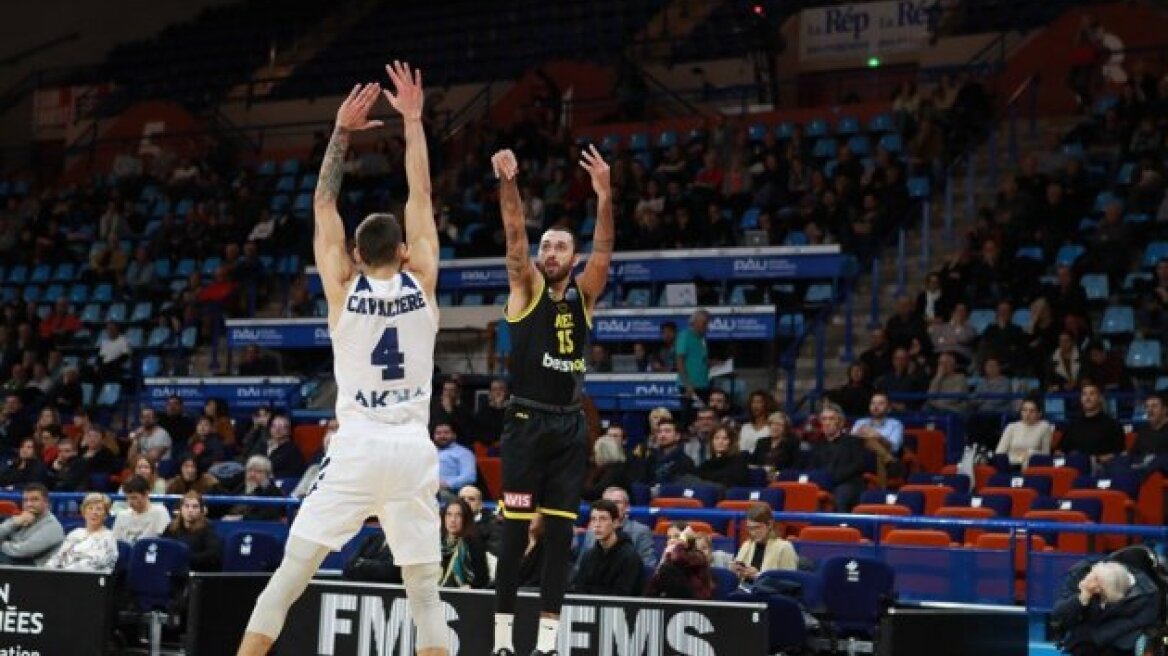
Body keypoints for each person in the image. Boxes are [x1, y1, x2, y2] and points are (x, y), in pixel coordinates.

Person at [239, 62, 450, 656]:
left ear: (356, 253)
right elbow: (422, 193)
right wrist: (412, 119)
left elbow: (322, 202)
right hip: (411, 450)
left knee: (287, 581)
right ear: (406, 253)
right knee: (426, 595)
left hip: (357, 448)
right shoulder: (425, 282)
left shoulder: (342, 287)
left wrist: (340, 133)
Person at [490, 141, 614, 656]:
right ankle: (500, 642)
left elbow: (605, 248)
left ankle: (545, 645)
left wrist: (605, 196)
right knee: (515, 535)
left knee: (561, 538)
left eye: (561, 247)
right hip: (525, 422)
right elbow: (515, 232)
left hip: (568, 427)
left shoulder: (585, 296)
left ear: (574, 257)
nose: (551, 253)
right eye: (548, 247)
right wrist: (509, 183)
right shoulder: (526, 286)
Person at [1052, 560, 1161, 656]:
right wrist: (1082, 597)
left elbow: (1137, 622)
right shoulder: (1079, 575)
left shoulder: (1148, 594)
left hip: (1121, 641)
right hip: (1084, 639)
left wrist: (1096, 637)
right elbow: (1058, 615)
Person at [570, 499, 645, 596]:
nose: (597, 525)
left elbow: (623, 595)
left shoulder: (631, 558)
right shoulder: (588, 556)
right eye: (593, 519)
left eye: (603, 519)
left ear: (615, 523)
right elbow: (579, 590)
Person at [574, 486, 656, 571]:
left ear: (627, 507)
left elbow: (647, 567)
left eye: (617, 502)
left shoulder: (641, 531)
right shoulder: (591, 531)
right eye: (607, 502)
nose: (611, 506)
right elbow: (580, 566)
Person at [807, 404, 868, 512]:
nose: (827, 422)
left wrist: (833, 479)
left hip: (848, 483)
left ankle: (841, 527)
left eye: (831, 419)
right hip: (822, 484)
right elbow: (812, 468)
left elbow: (858, 465)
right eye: (824, 419)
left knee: (841, 493)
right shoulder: (817, 445)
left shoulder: (854, 441)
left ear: (840, 422)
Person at [1058, 383, 1126, 470]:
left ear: (1100, 398)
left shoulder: (1112, 424)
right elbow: (1060, 450)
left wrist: (1096, 459)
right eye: (1084, 394)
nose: (1087, 398)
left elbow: (1119, 453)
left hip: (1100, 467)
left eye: (1092, 394)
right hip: (1072, 466)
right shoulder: (1073, 424)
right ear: (1081, 399)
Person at [44, 492, 117, 572]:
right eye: (90, 508)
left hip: (89, 579)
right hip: (63, 576)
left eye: (99, 509)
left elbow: (94, 563)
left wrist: (64, 572)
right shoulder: (75, 533)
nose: (94, 512)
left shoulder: (109, 537)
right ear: (84, 512)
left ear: (105, 515)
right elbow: (58, 557)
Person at [732, 503, 799, 583]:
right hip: (744, 591)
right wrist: (735, 572)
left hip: (768, 594)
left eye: (757, 528)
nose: (753, 533)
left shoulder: (784, 547)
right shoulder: (747, 545)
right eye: (750, 528)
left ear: (770, 524)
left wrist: (758, 576)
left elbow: (790, 583)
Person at [0, 483, 63, 565]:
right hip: (11, 560)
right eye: (26, 500)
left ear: (46, 502)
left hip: (33, 569)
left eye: (35, 500)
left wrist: (1, 544)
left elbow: (23, 551)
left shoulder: (52, 526)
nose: (29, 504)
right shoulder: (21, 518)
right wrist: (14, 522)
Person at [162, 491, 222, 572]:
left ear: (201, 510)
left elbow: (213, 554)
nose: (190, 510)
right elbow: (162, 549)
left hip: (198, 573)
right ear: (181, 509)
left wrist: (186, 559)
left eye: (195, 507)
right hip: (174, 572)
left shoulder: (207, 528)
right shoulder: (171, 527)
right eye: (186, 506)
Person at [439, 497, 491, 589]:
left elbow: (483, 579)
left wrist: (471, 587)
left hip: (465, 596)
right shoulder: (437, 541)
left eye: (458, 515)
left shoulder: (474, 543)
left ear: (466, 518)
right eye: (449, 514)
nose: (452, 520)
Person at [995, 397, 1055, 468]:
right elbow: (999, 452)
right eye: (1024, 410)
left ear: (1039, 413)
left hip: (1031, 468)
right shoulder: (1011, 427)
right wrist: (1020, 458)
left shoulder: (1044, 426)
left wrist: (1030, 453)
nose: (1027, 414)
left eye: (1032, 411)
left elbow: (1045, 455)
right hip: (1009, 465)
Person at [224, 455, 285, 522]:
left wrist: (241, 518)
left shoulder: (274, 493)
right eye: (249, 470)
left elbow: (267, 517)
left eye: (258, 471)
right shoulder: (241, 487)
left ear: (267, 475)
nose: (252, 474)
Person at [112, 475, 171, 545]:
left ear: (146, 494)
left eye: (134, 498)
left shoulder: (160, 512)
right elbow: (115, 542)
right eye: (127, 498)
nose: (130, 503)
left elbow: (165, 543)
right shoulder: (122, 515)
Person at [676, 310, 712, 413]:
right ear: (695, 322)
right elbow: (680, 361)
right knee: (689, 416)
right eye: (704, 323)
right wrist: (687, 384)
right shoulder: (685, 336)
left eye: (708, 323)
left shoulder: (702, 338)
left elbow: (701, 359)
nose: (707, 326)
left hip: (703, 384)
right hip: (690, 386)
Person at [581, 431, 630, 502]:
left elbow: (595, 493)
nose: (594, 457)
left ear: (603, 453)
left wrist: (575, 485)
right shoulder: (602, 469)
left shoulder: (617, 471)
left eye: (596, 453)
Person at [697, 424, 750, 489]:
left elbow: (735, 482)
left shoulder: (739, 460)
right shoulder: (706, 465)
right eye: (717, 438)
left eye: (725, 439)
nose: (720, 442)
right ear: (712, 441)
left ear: (731, 442)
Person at [434, 422, 476, 499]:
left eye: (446, 433)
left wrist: (447, 484)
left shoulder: (463, 453)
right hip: (426, 490)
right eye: (438, 433)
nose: (442, 436)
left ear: (454, 435)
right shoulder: (429, 452)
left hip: (450, 492)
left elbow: (469, 477)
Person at [458, 485, 502, 556]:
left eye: (471, 499)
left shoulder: (494, 525)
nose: (466, 502)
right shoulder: (447, 522)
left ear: (480, 504)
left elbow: (493, 555)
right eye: (462, 499)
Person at [739, 390, 778, 454]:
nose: (755, 405)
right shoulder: (745, 427)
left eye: (759, 402)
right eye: (753, 402)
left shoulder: (772, 427)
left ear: (766, 404)